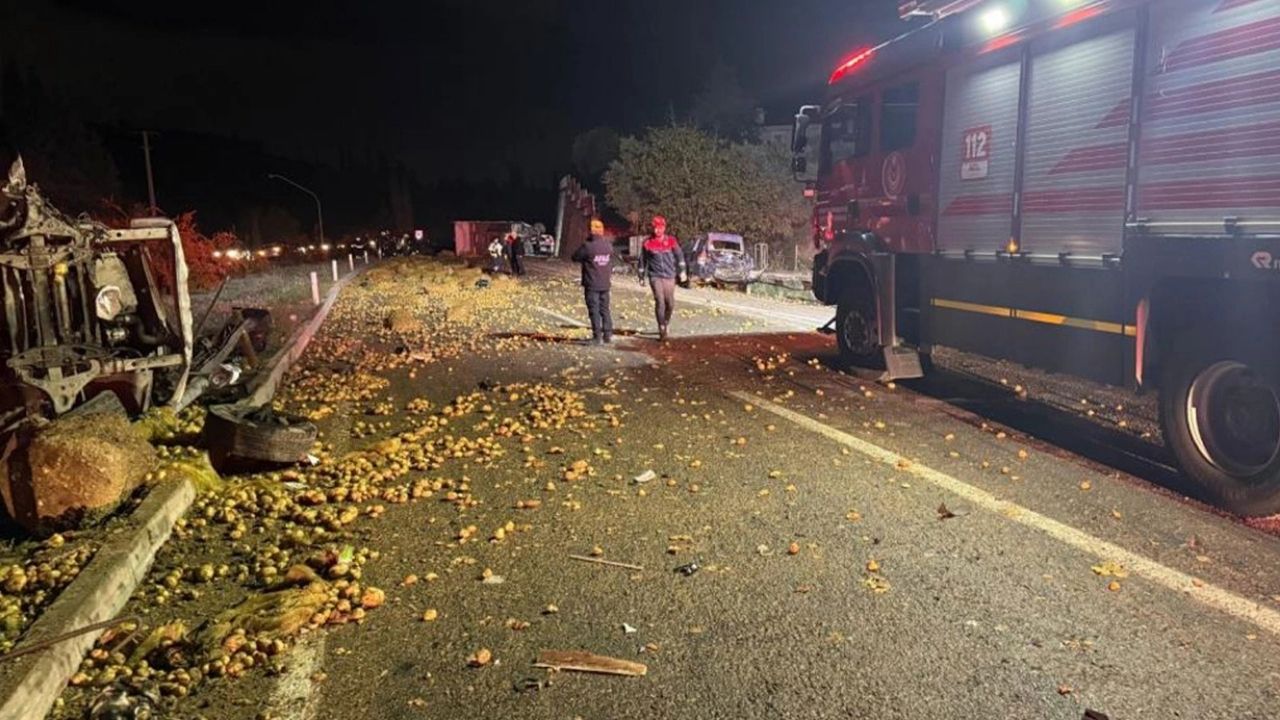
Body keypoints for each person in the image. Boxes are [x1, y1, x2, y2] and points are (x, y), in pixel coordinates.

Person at [638, 215, 687, 341]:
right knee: (660, 300)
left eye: (659, 228)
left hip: (670, 275)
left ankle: (666, 321)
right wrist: (641, 276)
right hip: (655, 276)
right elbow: (642, 260)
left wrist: (682, 271)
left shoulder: (671, 241)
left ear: (664, 228)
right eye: (654, 228)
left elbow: (679, 256)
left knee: (670, 303)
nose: (656, 231)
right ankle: (661, 328)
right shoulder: (647, 242)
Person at [571, 218, 613, 344]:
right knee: (605, 309)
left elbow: (575, 257)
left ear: (591, 231)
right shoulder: (608, 246)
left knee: (594, 310)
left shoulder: (588, 246)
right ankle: (608, 335)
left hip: (592, 283)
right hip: (605, 283)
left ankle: (597, 337)